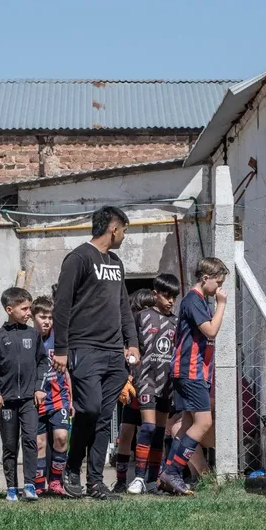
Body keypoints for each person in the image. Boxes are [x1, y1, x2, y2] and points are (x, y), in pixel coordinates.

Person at [52, 206, 140, 501]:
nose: (125, 236)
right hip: (84, 348)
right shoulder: (78, 258)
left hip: (114, 353)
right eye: (124, 230)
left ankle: (96, 483)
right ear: (114, 229)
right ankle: (72, 466)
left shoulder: (115, 263)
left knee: (103, 416)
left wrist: (132, 342)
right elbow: (62, 305)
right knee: (88, 409)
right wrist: (61, 349)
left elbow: (123, 306)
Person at [157, 257, 228, 496]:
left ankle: (167, 474)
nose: (219, 288)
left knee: (187, 423)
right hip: (191, 371)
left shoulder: (197, 301)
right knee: (203, 422)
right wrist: (221, 304)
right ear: (205, 278)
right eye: (218, 282)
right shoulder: (194, 299)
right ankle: (174, 471)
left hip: (195, 371)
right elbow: (211, 330)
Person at [0, 287, 49, 502]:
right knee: (10, 444)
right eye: (24, 309)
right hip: (7, 402)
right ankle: (11, 487)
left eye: (29, 308)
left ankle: (30, 485)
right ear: (9, 309)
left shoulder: (33, 335)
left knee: (30, 440)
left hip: (29, 400)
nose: (29, 312)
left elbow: (42, 361)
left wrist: (39, 388)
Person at [127, 273, 180, 495]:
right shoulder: (142, 317)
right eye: (166, 296)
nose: (170, 301)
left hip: (166, 383)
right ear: (155, 294)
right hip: (145, 379)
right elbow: (130, 344)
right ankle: (138, 477)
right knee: (147, 427)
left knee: (159, 431)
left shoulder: (176, 321)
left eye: (174, 297)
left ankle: (152, 478)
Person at [113, 288, 157, 493]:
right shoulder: (128, 332)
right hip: (133, 387)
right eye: (142, 309)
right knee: (127, 431)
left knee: (150, 430)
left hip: (153, 386)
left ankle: (146, 477)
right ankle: (121, 480)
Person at [31, 296, 71, 497]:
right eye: (42, 317)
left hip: (59, 397)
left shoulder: (59, 339)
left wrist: (70, 399)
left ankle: (55, 481)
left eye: (50, 317)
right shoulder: (28, 339)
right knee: (39, 443)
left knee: (62, 437)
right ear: (32, 317)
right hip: (36, 400)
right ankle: (38, 484)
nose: (46, 321)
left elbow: (66, 371)